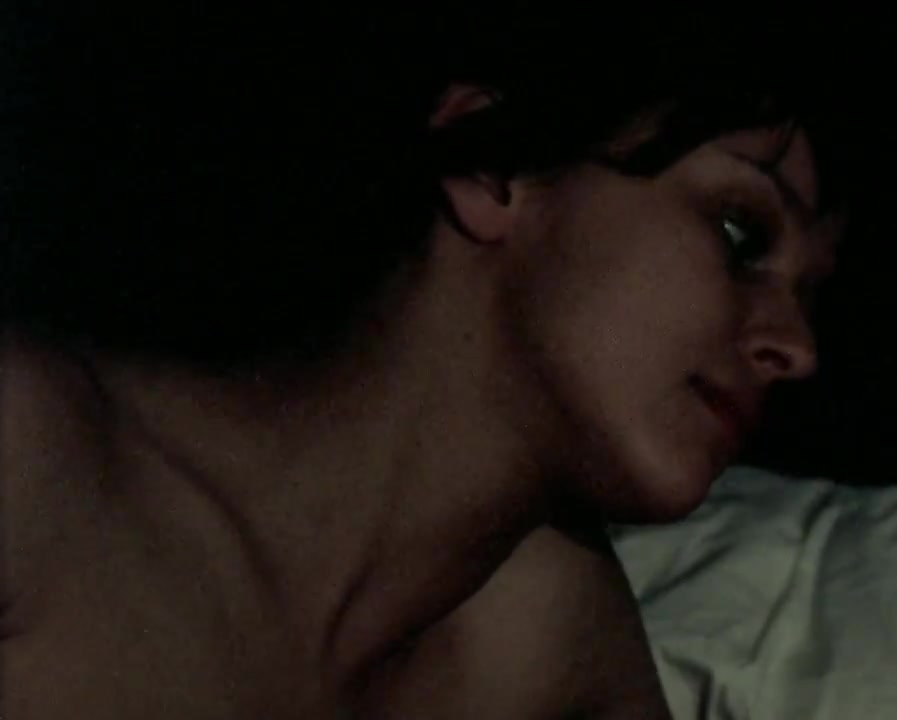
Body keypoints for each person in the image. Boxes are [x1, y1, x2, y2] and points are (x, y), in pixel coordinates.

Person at [1, 3, 848, 717]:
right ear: (493, 168)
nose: (798, 349)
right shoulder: (37, 462)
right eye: (740, 233)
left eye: (810, 296)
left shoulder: (549, 644)